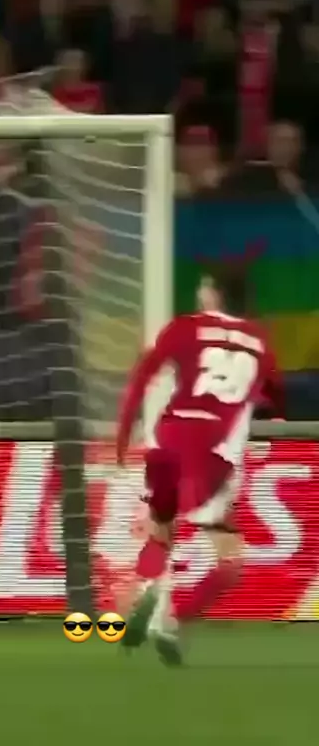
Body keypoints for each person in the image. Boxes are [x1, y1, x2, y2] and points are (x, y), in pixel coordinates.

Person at [116, 271, 284, 664]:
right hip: (216, 452)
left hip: (169, 437)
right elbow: (275, 396)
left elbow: (142, 377)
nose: (199, 292)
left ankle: (152, 595)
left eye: (204, 286)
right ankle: (173, 620)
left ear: (215, 295)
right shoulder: (260, 342)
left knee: (160, 531)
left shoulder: (185, 327)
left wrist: (123, 435)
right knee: (230, 560)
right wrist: (273, 415)